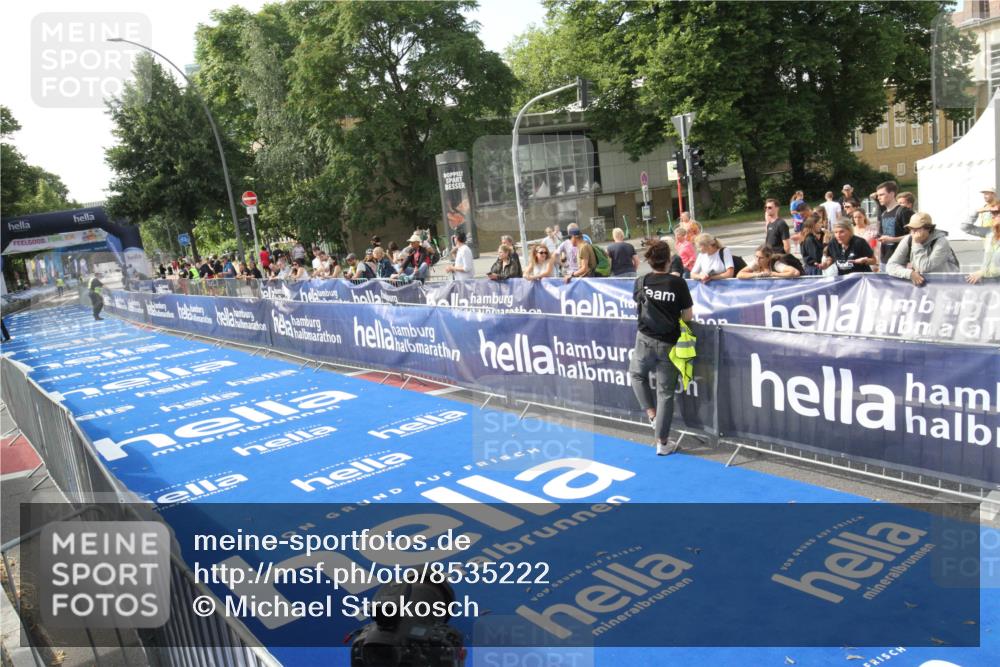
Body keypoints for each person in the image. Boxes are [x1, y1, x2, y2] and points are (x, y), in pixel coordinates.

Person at [629, 241, 694, 456]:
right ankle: (662, 442)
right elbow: (687, 316)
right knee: (665, 393)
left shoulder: (641, 281)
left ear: (649, 260)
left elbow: (638, 305)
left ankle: (652, 415)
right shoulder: (678, 284)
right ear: (669, 261)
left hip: (644, 339)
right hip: (669, 343)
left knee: (637, 376)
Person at [884, 213, 959, 286]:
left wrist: (917, 243)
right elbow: (891, 265)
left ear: (928, 228)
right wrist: (909, 273)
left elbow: (924, 268)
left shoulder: (941, 242)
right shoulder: (908, 239)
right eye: (911, 228)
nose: (913, 232)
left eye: (916, 228)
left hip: (945, 284)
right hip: (924, 286)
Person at [875, 180, 913, 268]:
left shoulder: (904, 212)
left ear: (892, 194)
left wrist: (893, 239)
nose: (878, 198)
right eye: (878, 195)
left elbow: (914, 236)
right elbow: (882, 235)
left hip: (901, 261)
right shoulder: (883, 214)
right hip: (884, 260)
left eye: (881, 194)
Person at [962, 202, 1000, 284]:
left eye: (996, 213)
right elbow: (965, 227)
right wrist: (976, 211)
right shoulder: (989, 232)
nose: (993, 216)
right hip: (988, 283)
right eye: (992, 213)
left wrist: (983, 272)